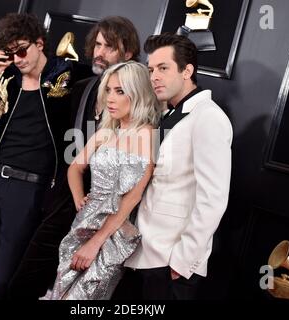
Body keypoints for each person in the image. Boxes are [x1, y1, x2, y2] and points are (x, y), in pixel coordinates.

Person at [8, 16, 141, 300]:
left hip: (107, 210)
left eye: (109, 47)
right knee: (24, 282)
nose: (99, 53)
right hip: (65, 199)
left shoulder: (140, 101)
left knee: (81, 294)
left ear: (128, 54)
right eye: (97, 45)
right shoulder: (80, 88)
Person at [0, 13, 79, 300]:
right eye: (11, 54)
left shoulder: (66, 78)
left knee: (4, 280)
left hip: (29, 189)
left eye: (22, 50)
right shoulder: (5, 79)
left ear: (40, 43)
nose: (18, 58)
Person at [117, 33, 233, 300]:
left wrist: (182, 262)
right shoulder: (165, 115)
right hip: (140, 254)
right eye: (151, 69)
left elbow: (213, 199)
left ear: (187, 71)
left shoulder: (209, 118)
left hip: (170, 264)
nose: (154, 76)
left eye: (163, 68)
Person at [50, 61, 161, 300]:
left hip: (113, 234)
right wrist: (81, 201)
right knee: (61, 293)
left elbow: (133, 197)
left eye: (119, 91)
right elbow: (74, 169)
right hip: (83, 224)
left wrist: (96, 242)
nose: (110, 98)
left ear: (138, 92)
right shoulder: (105, 133)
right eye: (108, 90)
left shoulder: (148, 134)